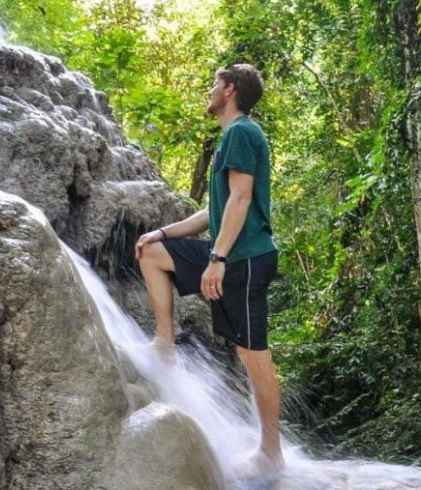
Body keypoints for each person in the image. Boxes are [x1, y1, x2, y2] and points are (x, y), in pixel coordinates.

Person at [134, 63, 283, 476]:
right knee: (153, 254)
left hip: (245, 259)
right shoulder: (232, 137)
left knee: (254, 355)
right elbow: (214, 210)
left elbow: (240, 199)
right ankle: (165, 347)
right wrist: (161, 233)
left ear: (230, 90)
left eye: (214, 83)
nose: (210, 90)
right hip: (231, 254)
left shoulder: (240, 132)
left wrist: (216, 259)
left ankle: (271, 452)